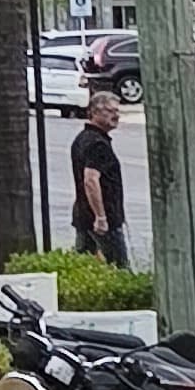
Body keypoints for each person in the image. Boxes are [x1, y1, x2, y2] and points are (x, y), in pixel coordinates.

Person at [67, 92, 129, 268]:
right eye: (110, 111)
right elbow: (90, 180)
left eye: (117, 111)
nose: (116, 116)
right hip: (102, 219)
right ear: (94, 112)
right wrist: (101, 217)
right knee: (118, 267)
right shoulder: (97, 144)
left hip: (84, 215)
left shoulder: (83, 138)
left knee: (83, 264)